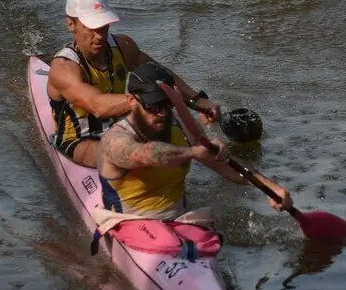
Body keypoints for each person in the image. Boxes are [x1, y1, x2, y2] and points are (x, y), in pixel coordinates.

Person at [46, 0, 222, 168]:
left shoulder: (124, 46)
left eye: (103, 26)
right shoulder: (63, 69)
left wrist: (198, 101)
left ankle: (219, 158)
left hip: (120, 128)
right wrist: (148, 99)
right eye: (91, 28)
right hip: (80, 141)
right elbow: (96, 105)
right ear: (71, 25)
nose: (99, 35)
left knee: (176, 122)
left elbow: (161, 75)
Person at [97, 62, 292, 219]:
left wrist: (269, 187)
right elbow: (146, 155)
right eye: (153, 106)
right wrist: (194, 152)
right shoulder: (115, 140)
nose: (162, 113)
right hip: (130, 224)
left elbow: (228, 169)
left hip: (178, 220)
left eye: (167, 104)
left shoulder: (179, 126)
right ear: (132, 101)